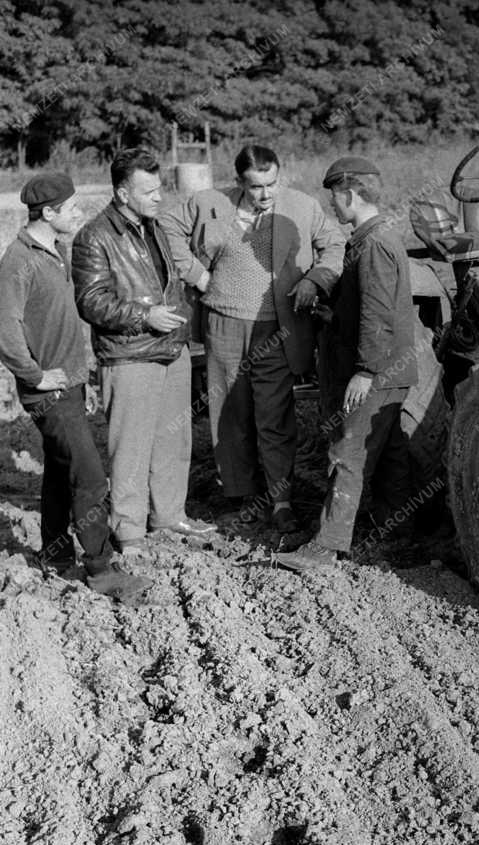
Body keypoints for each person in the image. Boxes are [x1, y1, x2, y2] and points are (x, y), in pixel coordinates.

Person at [160, 145, 345, 533]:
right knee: (230, 413)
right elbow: (166, 228)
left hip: (278, 328)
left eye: (272, 183)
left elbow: (335, 247)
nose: (265, 194)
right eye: (256, 186)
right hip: (224, 324)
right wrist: (196, 274)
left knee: (274, 416)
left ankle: (280, 501)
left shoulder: (302, 207)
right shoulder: (209, 203)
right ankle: (242, 496)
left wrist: (315, 279)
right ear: (239, 182)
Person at [0, 172, 151, 601]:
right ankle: (101, 570)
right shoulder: (18, 261)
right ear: (48, 213)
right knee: (89, 475)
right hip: (49, 390)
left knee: (60, 471)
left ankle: (55, 553)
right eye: (71, 209)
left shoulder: (56, 250)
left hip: (70, 383)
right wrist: (34, 376)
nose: (79, 214)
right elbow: (4, 330)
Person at [275, 156, 418, 572]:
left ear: (349, 195)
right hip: (394, 371)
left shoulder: (372, 245)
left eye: (334, 198)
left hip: (376, 372)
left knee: (346, 454)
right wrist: (332, 316)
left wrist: (365, 371)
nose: (332, 207)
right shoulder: (378, 239)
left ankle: (326, 546)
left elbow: (377, 315)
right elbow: (368, 308)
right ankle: (399, 535)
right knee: (391, 454)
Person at [72, 148, 215, 552]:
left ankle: (168, 516)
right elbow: (91, 301)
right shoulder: (94, 237)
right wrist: (144, 316)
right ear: (121, 193)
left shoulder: (154, 227)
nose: (158, 197)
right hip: (130, 353)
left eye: (159, 189)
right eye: (148, 190)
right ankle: (129, 530)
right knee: (130, 448)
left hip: (171, 349)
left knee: (173, 441)